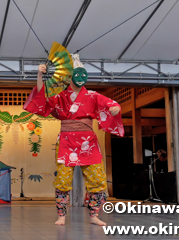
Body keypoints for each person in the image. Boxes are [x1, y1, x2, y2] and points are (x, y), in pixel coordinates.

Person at [23, 56, 124, 226]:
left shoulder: (92, 95)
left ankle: (94, 215)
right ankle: (61, 215)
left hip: (88, 142)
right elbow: (41, 99)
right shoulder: (60, 96)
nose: (80, 77)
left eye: (83, 74)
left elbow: (111, 104)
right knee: (63, 180)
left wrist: (116, 108)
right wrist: (39, 76)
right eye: (77, 74)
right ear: (70, 76)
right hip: (66, 141)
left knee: (97, 179)